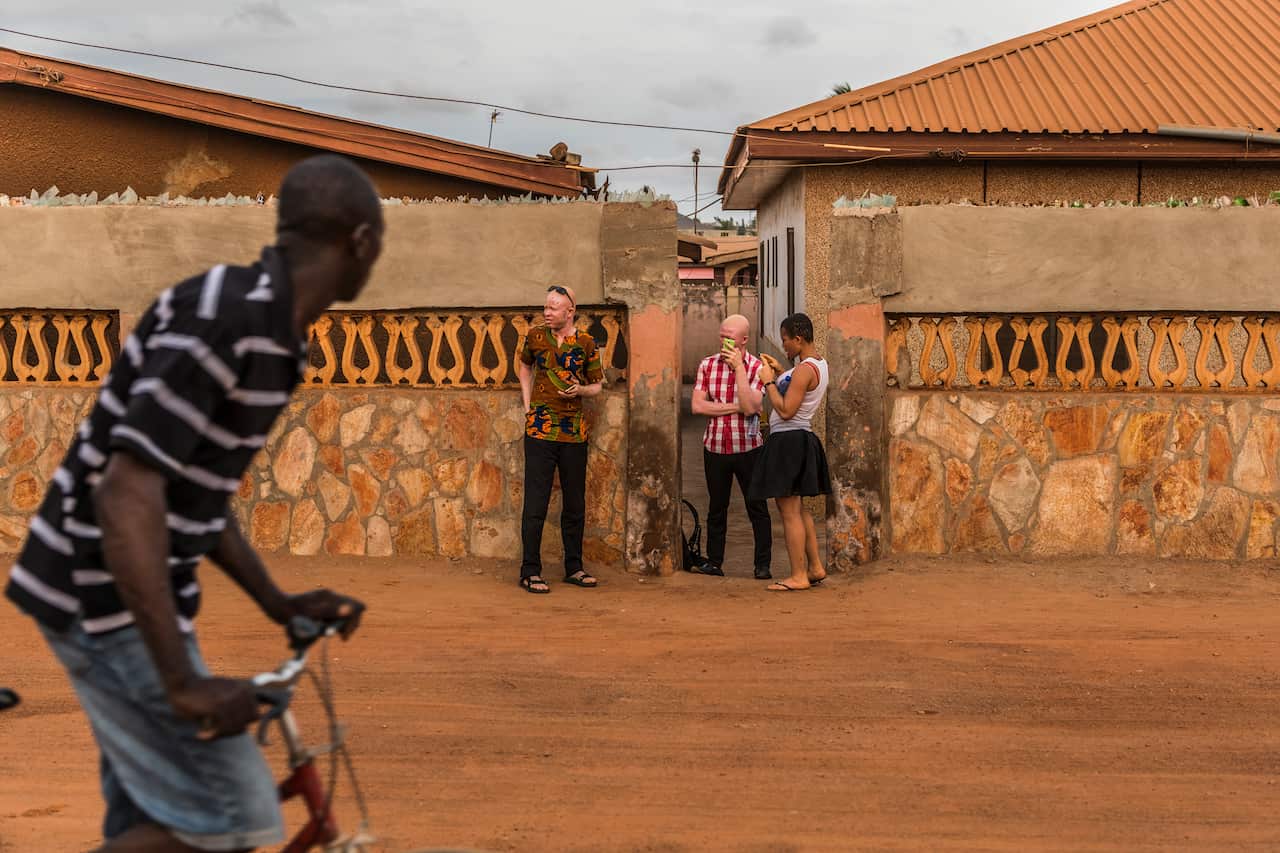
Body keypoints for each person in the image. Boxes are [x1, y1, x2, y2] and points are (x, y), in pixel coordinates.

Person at [4, 154, 383, 852]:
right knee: (232, 813)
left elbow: (192, 496)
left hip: (133, 593)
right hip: (97, 595)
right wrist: (181, 682)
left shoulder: (278, 338)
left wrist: (279, 602)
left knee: (157, 824)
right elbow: (127, 494)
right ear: (360, 242)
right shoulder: (226, 317)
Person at [516, 284, 605, 594]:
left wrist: (580, 390)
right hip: (540, 431)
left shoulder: (586, 342)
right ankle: (530, 570)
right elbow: (524, 367)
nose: (546, 312)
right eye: (546, 306)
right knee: (536, 502)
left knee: (575, 504)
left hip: (573, 433)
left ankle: (574, 567)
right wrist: (528, 407)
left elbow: (597, 385)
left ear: (570, 312)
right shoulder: (535, 337)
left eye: (554, 307)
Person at [751, 313, 831, 592]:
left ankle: (798, 575)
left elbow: (785, 410)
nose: (783, 345)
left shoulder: (804, 370)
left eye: (785, 341)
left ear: (798, 338)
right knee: (798, 509)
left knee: (789, 512)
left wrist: (768, 382)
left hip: (789, 441)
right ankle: (815, 567)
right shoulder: (815, 364)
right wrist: (781, 370)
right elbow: (797, 384)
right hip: (799, 440)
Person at [690, 314, 772, 579]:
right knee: (717, 507)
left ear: (744, 340)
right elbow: (697, 406)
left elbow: (752, 407)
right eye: (721, 336)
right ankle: (715, 562)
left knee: (757, 507)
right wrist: (736, 407)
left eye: (730, 338)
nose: (723, 341)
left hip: (748, 448)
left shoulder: (758, 368)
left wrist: (739, 369)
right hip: (715, 447)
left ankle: (762, 565)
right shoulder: (707, 365)